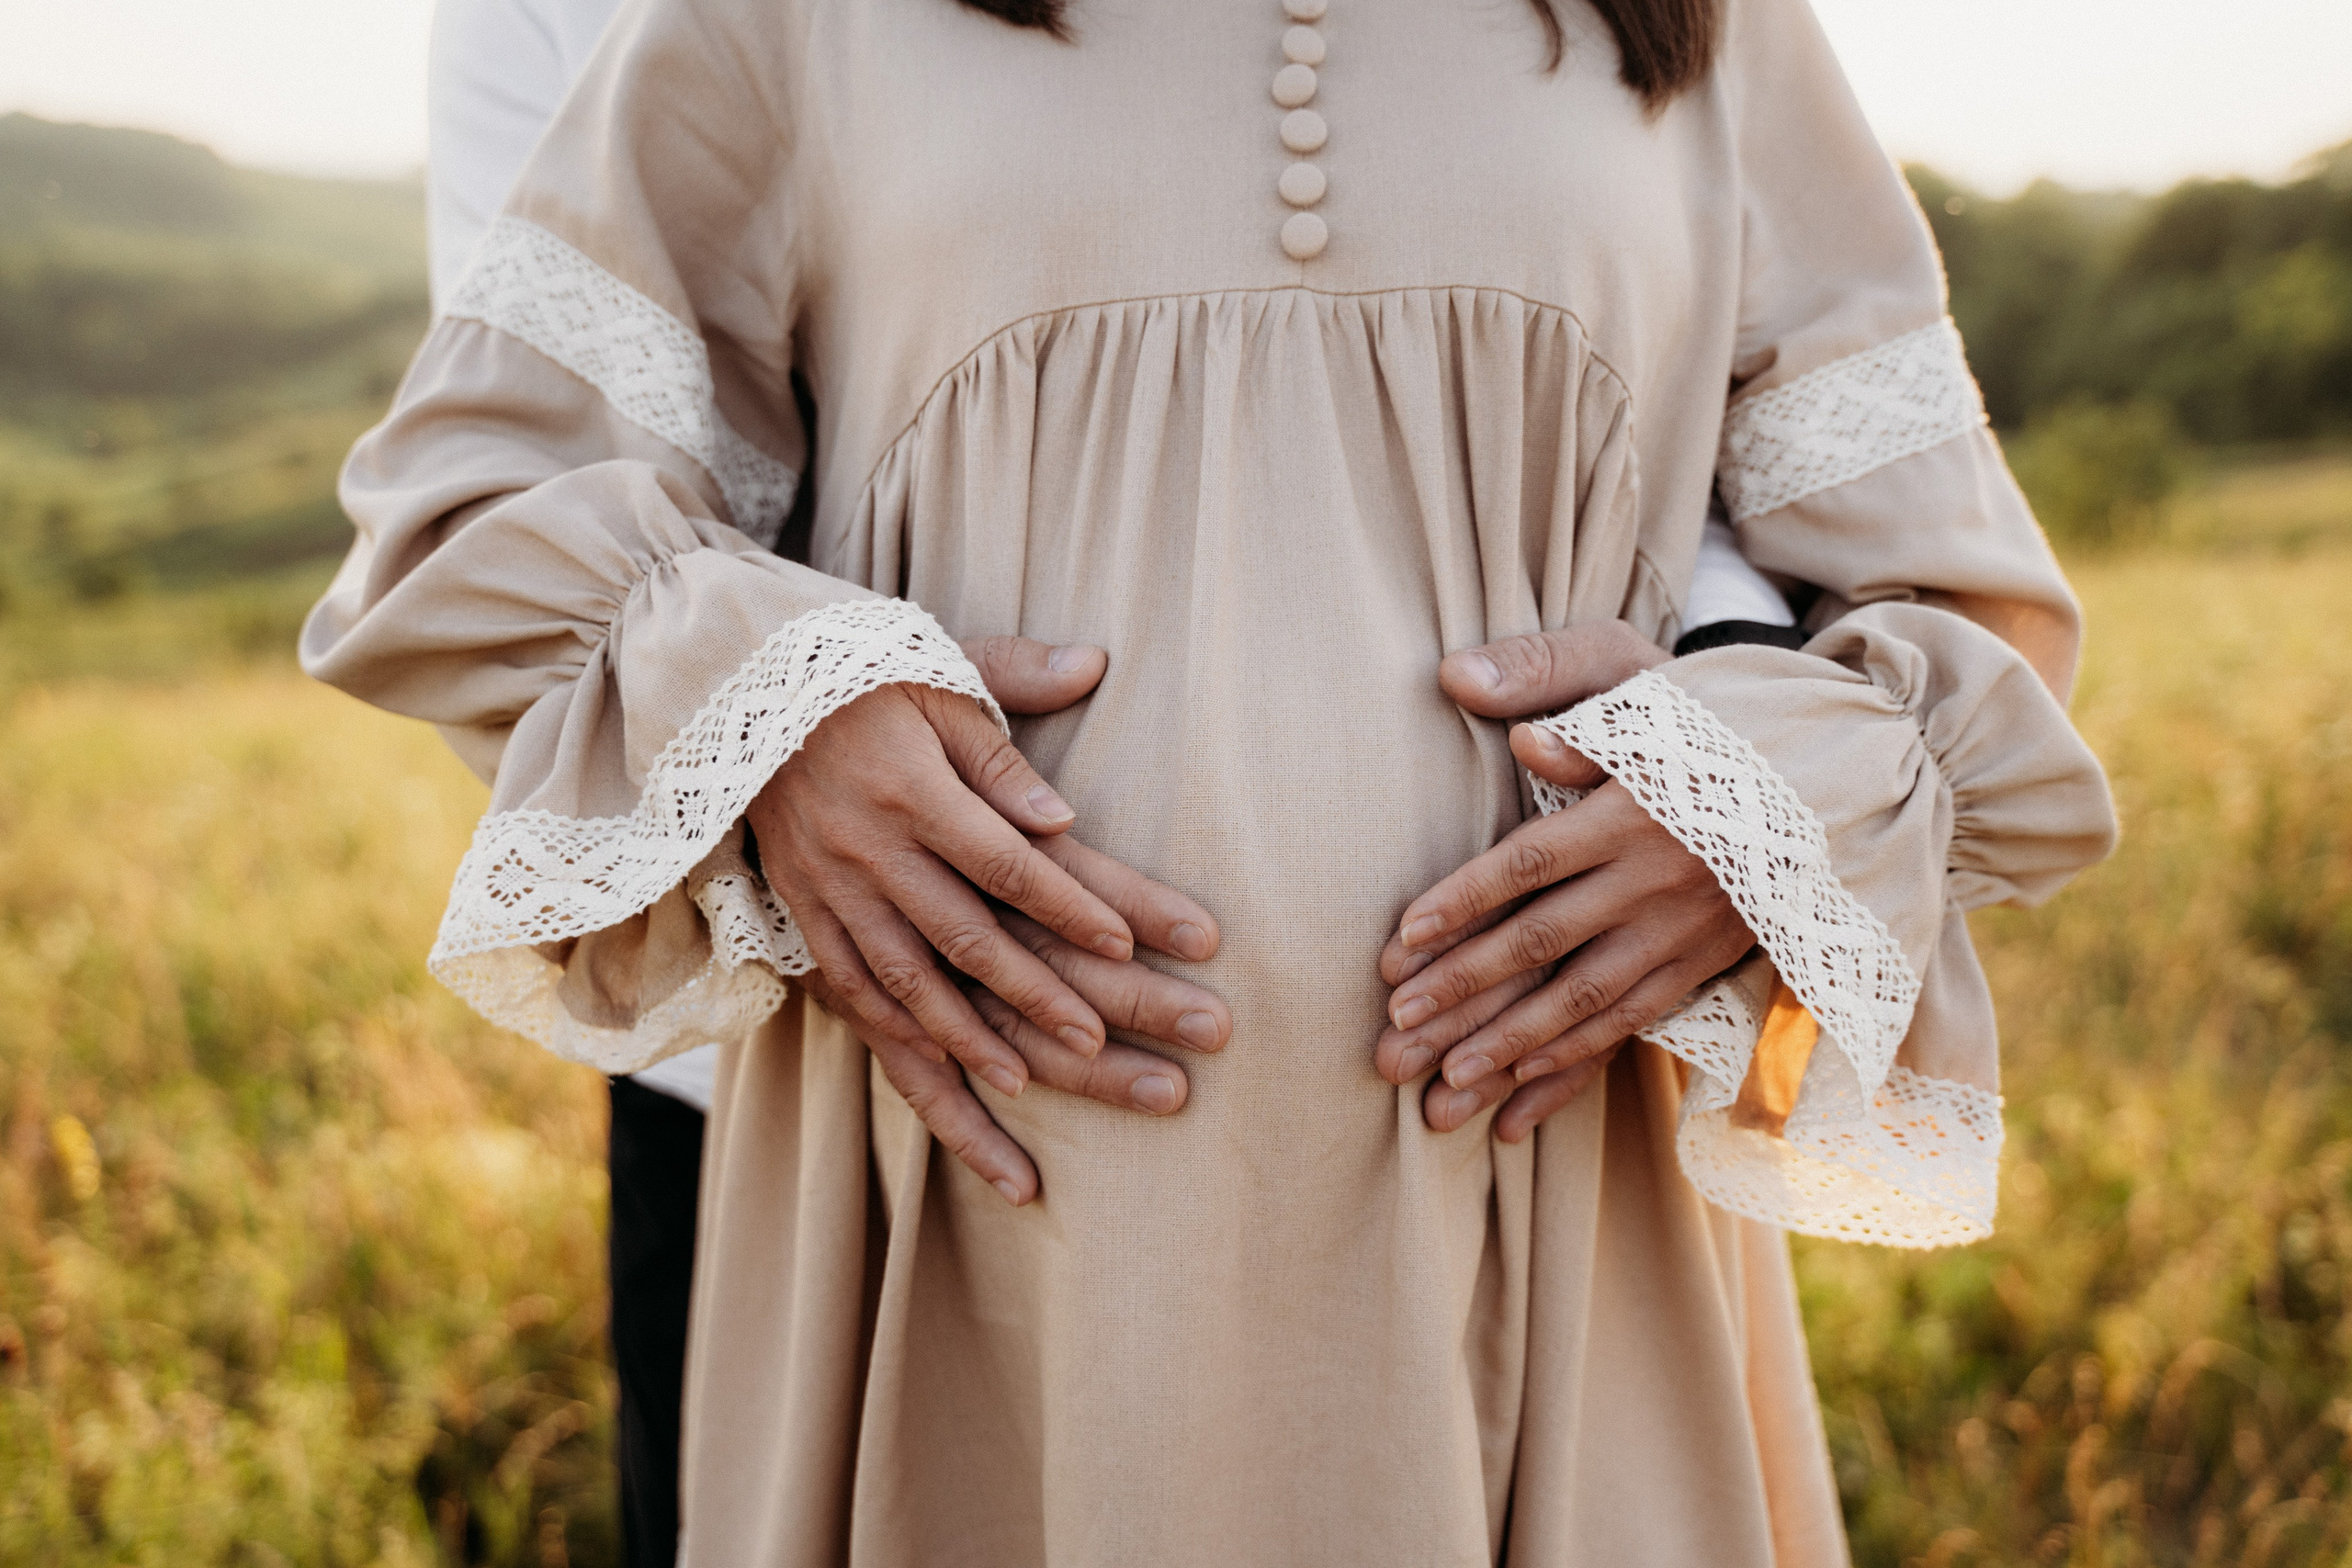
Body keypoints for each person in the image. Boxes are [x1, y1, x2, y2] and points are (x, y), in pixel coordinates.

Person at [310, 0, 2117, 1560]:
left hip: (1545, 1185)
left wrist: (1750, 805)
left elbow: (1963, 606)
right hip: (975, 1207)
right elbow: (475, 502)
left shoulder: (1699, 29)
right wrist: (784, 719)